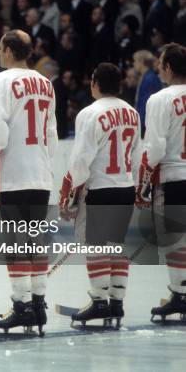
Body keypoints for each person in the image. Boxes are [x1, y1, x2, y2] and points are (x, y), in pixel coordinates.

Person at [0, 30, 58, 335]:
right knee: (35, 244)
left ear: (9, 50)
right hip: (40, 172)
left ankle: (21, 306)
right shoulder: (45, 83)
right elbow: (51, 133)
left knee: (15, 245)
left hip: (13, 174)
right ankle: (38, 304)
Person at [59, 63, 139, 326]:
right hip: (125, 186)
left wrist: (69, 195)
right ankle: (116, 302)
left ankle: (98, 302)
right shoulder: (132, 112)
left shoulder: (89, 113)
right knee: (116, 245)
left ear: (94, 83)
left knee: (96, 248)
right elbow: (136, 155)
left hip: (101, 186)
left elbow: (81, 160)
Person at [136, 43, 186, 321]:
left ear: (168, 68)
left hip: (175, 176)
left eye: (160, 64)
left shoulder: (160, 99)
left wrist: (143, 182)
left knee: (174, 240)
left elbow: (154, 147)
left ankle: (180, 295)